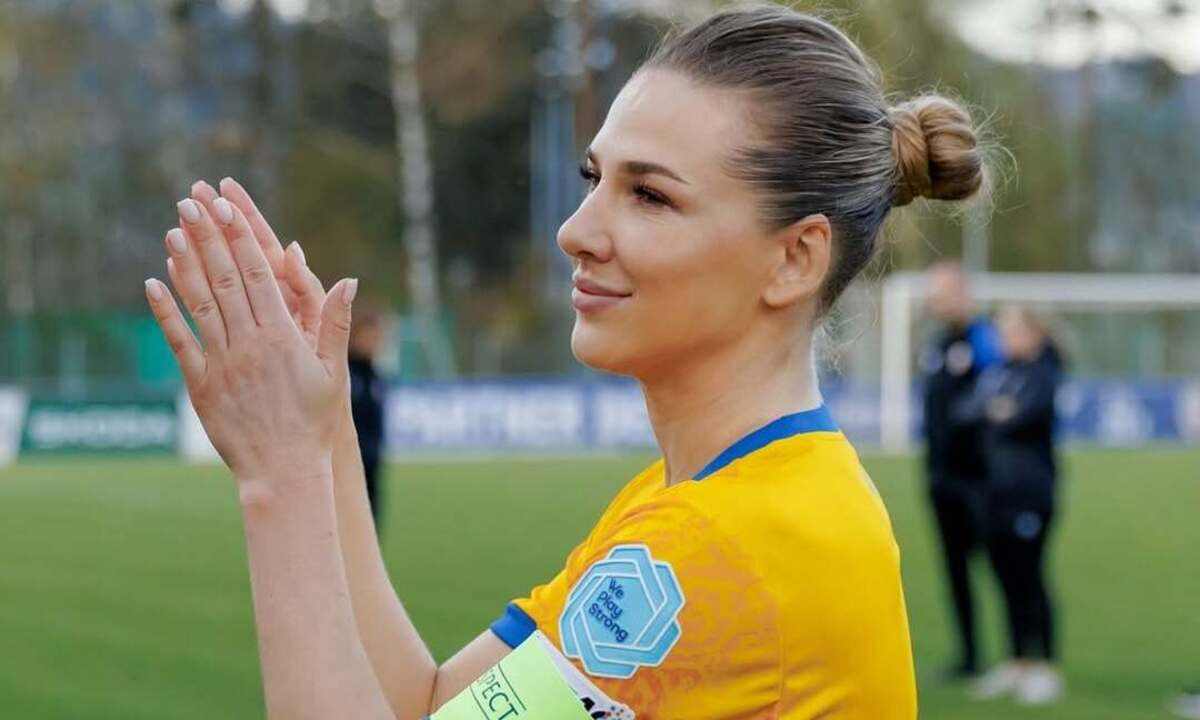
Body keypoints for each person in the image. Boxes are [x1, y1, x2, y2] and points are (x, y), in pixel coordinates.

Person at [143, 6, 991, 717]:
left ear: (796, 259)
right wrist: (327, 428)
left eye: (649, 195)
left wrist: (280, 477)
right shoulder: (717, 501)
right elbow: (429, 704)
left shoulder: (725, 548)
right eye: (595, 179)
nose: (576, 231)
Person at [967, 305, 1064, 705]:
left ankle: (1045, 665)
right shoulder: (1000, 373)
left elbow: (1020, 416)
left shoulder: (1043, 373)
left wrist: (997, 411)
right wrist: (995, 410)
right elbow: (970, 411)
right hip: (995, 492)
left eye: (1011, 330)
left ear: (1032, 332)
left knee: (1030, 577)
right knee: (1004, 575)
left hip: (1030, 493)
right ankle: (1015, 661)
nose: (1004, 338)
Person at [919, 259, 1002, 679]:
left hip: (980, 478)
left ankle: (1021, 658)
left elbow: (996, 394)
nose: (935, 301)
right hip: (940, 476)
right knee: (954, 570)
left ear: (962, 294)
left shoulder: (984, 339)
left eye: (942, 293)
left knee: (1001, 565)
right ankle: (969, 657)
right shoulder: (936, 345)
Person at [348, 303, 388, 531]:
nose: (375, 341)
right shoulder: (345, 373)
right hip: (347, 467)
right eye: (370, 334)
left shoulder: (375, 376)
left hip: (372, 465)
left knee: (371, 529)